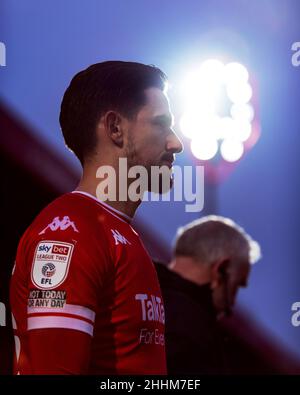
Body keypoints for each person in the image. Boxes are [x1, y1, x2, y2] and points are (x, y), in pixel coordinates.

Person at [10, 61, 183, 374]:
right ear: (115, 128)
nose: (176, 143)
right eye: (162, 124)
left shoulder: (122, 234)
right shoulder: (69, 232)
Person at [154, 215, 261, 374]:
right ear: (220, 269)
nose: (232, 302)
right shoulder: (195, 331)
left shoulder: (135, 294)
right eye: (237, 285)